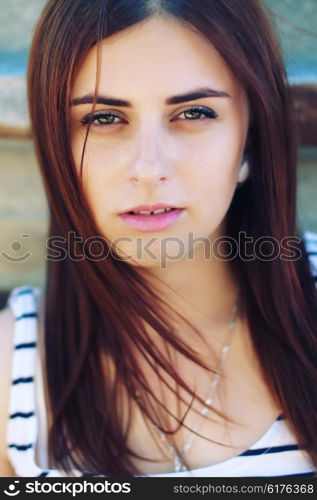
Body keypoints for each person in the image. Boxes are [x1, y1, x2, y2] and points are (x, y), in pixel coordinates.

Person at [0, 0, 316, 478]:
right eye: (103, 118)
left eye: (194, 111)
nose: (149, 169)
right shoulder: (11, 370)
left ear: (249, 142)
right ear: (55, 144)